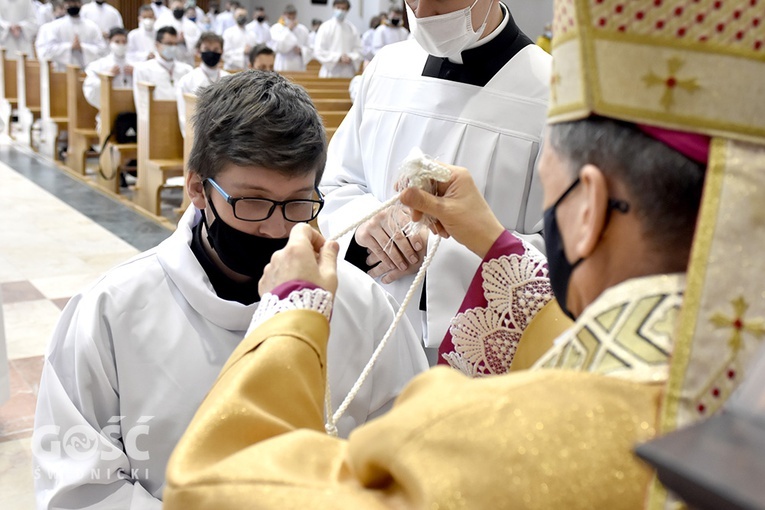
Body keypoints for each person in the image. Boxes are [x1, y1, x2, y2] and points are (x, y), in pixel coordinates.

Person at [163, 0, 765, 507]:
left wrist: (292, 311)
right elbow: (339, 186)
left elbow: (216, 485)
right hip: (370, 306)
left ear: (588, 207)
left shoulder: (486, 435)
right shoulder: (728, 403)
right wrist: (393, 232)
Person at [33, 70, 427, 509]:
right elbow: (82, 485)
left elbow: (407, 448)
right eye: (253, 201)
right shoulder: (110, 311)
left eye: (298, 202)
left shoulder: (363, 303)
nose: (277, 227)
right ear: (198, 188)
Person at [319, 0, 550, 365]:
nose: (423, 12)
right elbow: (336, 184)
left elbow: (562, 252)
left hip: (474, 369)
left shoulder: (551, 94)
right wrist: (364, 224)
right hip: (363, 337)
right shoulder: (384, 68)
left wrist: (437, 255)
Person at [175, 31, 227, 137]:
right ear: (198, 51)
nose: (211, 53)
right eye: (207, 49)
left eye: (216, 49)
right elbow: (184, 118)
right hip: (198, 141)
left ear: (222, 51)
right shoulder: (187, 81)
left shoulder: (230, 79)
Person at [132, 25, 191, 103]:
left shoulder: (187, 70)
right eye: (169, 44)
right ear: (157, 45)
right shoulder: (142, 69)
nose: (173, 47)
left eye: (175, 44)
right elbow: (141, 102)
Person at [40, 0, 104, 71]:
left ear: (80, 4)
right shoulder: (55, 26)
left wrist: (82, 47)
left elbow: (101, 50)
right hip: (62, 71)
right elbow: (49, 50)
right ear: (65, 5)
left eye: (75, 2)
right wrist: (70, 47)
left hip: (86, 71)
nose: (73, 5)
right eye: (69, 3)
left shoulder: (92, 27)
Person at [82, 27, 132, 111]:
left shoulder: (135, 64)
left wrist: (136, 72)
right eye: (117, 42)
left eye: (124, 42)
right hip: (108, 109)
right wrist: (107, 77)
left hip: (131, 109)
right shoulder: (99, 65)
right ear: (109, 42)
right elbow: (91, 88)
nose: (121, 45)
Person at [312, 0, 363, 79]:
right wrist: (338, 58)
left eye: (343, 8)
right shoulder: (325, 27)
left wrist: (350, 57)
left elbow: (359, 50)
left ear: (347, 10)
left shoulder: (352, 29)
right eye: (338, 8)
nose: (340, 11)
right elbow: (318, 51)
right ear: (333, 8)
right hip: (330, 72)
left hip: (347, 72)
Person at [155, 0, 199, 66]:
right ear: (171, 7)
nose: (179, 10)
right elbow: (157, 38)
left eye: (181, 8)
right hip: (166, 61)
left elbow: (196, 42)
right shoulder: (163, 20)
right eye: (177, 8)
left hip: (185, 62)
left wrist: (184, 40)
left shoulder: (191, 25)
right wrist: (174, 40)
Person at [269, 4, 309, 72]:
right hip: (282, 64)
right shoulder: (276, 28)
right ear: (283, 16)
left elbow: (309, 47)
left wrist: (301, 50)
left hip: (298, 65)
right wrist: (288, 30)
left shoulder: (303, 29)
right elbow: (277, 47)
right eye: (289, 18)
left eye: (293, 18)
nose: (291, 20)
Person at [221, 6, 254, 71]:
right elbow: (225, 54)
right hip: (231, 69)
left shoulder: (252, 34)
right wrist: (242, 51)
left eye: (244, 15)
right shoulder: (228, 33)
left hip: (247, 70)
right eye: (240, 15)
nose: (242, 17)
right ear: (234, 17)